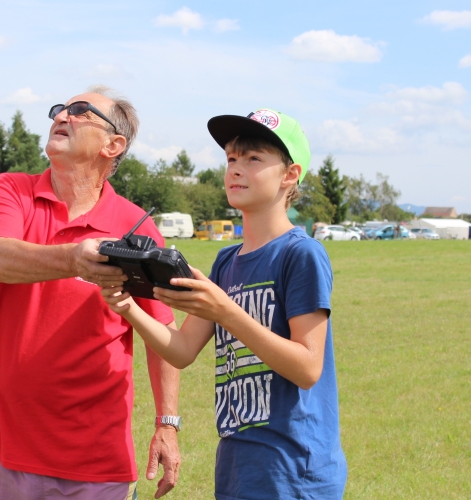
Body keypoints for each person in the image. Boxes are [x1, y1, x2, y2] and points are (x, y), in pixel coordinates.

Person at [0, 87, 181, 500]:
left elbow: (161, 330)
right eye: (60, 109)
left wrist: (167, 424)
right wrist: (74, 259)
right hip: (4, 447)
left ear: (113, 145)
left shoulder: (134, 224)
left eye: (80, 111)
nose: (61, 116)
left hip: (95, 454)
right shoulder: (12, 189)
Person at [101, 109, 348, 499]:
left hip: (294, 471)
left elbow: (307, 368)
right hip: (238, 467)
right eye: (231, 158)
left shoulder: (301, 254)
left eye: (253, 158)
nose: (236, 169)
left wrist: (225, 311)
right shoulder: (226, 262)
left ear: (290, 174)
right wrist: (127, 306)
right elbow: (181, 351)